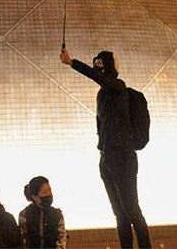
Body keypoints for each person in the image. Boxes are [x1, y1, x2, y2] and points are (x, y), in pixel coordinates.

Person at [60, 48, 151, 249]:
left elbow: (98, 78)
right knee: (119, 213)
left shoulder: (118, 87)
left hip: (122, 155)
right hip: (106, 157)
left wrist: (72, 62)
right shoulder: (103, 94)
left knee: (132, 209)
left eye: (101, 63)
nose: (97, 66)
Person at [18, 176, 66, 249]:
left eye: (50, 190)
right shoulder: (25, 215)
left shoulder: (57, 214)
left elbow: (61, 240)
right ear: (35, 197)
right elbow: (23, 241)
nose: (49, 194)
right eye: (45, 192)